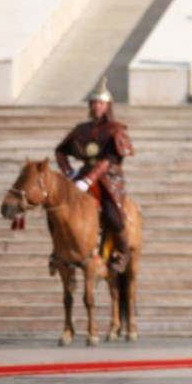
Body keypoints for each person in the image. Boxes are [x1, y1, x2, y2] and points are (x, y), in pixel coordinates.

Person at [55, 77, 133, 273]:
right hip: (82, 174)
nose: (97, 106)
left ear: (108, 105)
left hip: (109, 178)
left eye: (101, 103)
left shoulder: (116, 129)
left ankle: (124, 252)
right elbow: (60, 151)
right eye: (94, 103)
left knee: (111, 214)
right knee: (57, 208)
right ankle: (58, 251)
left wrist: (89, 180)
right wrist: (69, 171)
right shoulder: (82, 130)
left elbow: (109, 159)